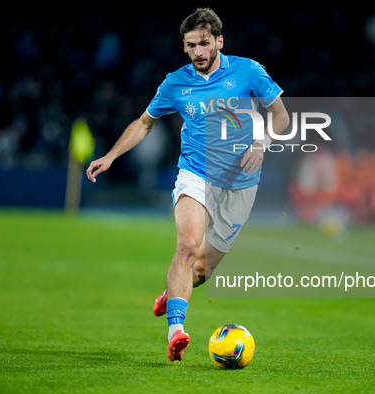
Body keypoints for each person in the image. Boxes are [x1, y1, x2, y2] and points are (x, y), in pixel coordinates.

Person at [85, 8, 289, 362]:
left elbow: (282, 116)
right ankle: (176, 331)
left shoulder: (249, 71)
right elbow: (144, 122)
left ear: (219, 42)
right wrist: (112, 155)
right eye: (192, 45)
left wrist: (263, 141)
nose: (199, 52)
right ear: (184, 46)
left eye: (205, 44)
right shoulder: (175, 83)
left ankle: (171, 293)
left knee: (199, 272)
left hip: (241, 185)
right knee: (187, 246)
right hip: (196, 173)